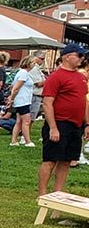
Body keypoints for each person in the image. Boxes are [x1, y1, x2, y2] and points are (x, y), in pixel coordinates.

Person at [38, 44, 89, 196]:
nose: (82, 58)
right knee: (51, 160)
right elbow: (47, 103)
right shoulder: (56, 77)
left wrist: (87, 124)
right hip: (59, 123)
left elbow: (84, 102)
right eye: (79, 55)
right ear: (67, 57)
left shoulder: (81, 77)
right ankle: (42, 193)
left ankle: (57, 193)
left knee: (67, 160)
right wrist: (53, 127)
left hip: (75, 125)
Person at [5, 56, 36, 147]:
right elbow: (16, 88)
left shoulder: (21, 73)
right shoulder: (23, 73)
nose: (34, 65)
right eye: (33, 63)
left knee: (19, 121)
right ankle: (27, 141)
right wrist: (12, 98)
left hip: (21, 100)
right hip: (23, 101)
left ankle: (14, 141)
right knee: (26, 121)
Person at [29, 50, 47, 121]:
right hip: (34, 96)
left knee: (31, 118)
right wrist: (50, 80)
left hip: (36, 96)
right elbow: (38, 83)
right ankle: (24, 132)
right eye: (42, 59)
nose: (43, 61)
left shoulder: (37, 68)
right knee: (30, 118)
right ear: (35, 58)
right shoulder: (33, 68)